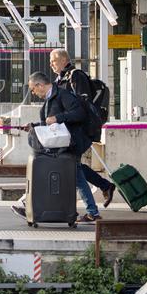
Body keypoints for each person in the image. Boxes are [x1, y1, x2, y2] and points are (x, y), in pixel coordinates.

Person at [14, 71, 102, 223]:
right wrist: (33, 126)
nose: (33, 93)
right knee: (76, 177)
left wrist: (58, 118)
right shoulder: (50, 99)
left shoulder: (62, 95)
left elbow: (79, 114)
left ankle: (30, 205)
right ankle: (91, 212)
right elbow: (49, 123)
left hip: (70, 144)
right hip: (61, 145)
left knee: (64, 175)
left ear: (39, 85)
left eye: (33, 89)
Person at [49, 48, 117, 207]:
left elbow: (82, 104)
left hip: (80, 130)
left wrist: (62, 116)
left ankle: (89, 209)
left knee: (71, 166)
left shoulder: (76, 76)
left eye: (54, 61)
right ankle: (104, 187)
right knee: (72, 165)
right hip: (68, 130)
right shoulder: (60, 80)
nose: (51, 64)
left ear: (64, 60)